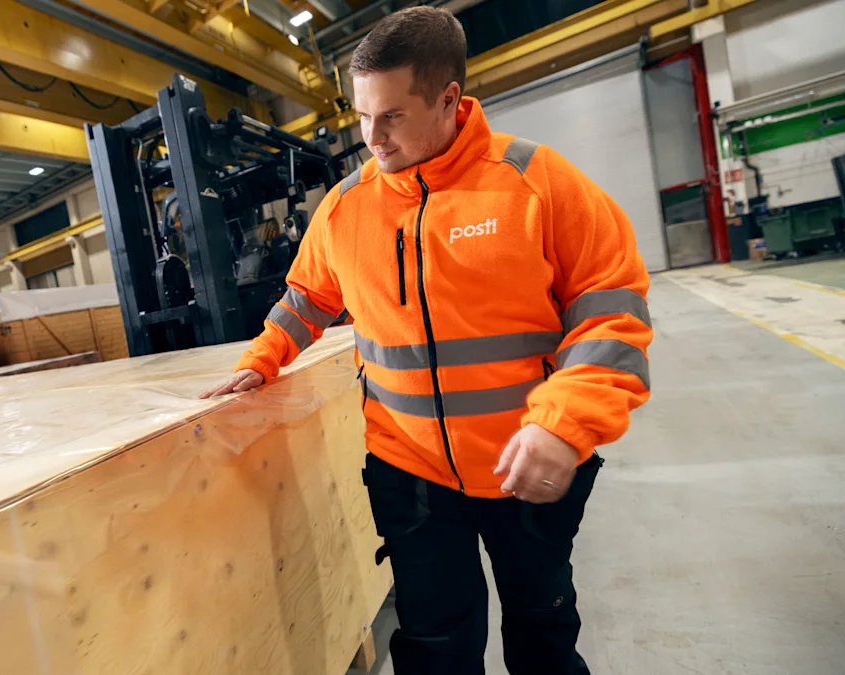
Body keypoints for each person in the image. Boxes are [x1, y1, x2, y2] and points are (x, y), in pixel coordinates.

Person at [201, 5, 653, 674]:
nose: (371, 138)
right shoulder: (347, 208)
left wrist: (564, 424)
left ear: (449, 100)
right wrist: (261, 360)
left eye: (391, 116)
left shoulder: (539, 184)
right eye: (361, 116)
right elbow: (308, 298)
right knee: (435, 641)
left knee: (542, 627)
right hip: (410, 472)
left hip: (526, 463)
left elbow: (611, 321)